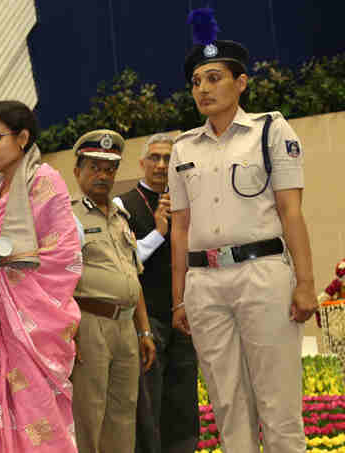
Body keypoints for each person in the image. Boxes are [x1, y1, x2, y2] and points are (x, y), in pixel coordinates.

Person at [169, 11, 316, 453]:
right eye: (196, 81)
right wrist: (179, 296)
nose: (203, 88)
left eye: (214, 78)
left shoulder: (270, 130)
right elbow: (180, 227)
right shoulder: (183, 147)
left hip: (263, 274)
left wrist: (306, 284)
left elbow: (292, 211)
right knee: (227, 403)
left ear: (241, 83)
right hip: (204, 284)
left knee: (278, 401)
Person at [0, 100, 83, 453]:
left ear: (22, 137)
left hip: (28, 325)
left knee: (35, 418)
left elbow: (64, 256)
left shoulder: (44, 181)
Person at [69, 129, 156, 453]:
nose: (103, 176)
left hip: (126, 327)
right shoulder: (67, 216)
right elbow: (57, 281)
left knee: (123, 413)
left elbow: (133, 276)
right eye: (94, 167)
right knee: (89, 413)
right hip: (89, 324)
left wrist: (144, 330)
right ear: (77, 171)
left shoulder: (122, 218)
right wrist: (67, 331)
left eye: (109, 169)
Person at [114, 134, 198, 453]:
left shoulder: (188, 200)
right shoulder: (123, 204)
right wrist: (158, 233)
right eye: (155, 158)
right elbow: (123, 264)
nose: (162, 165)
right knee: (148, 405)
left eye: (168, 158)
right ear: (142, 163)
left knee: (183, 401)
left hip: (184, 314)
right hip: (146, 319)